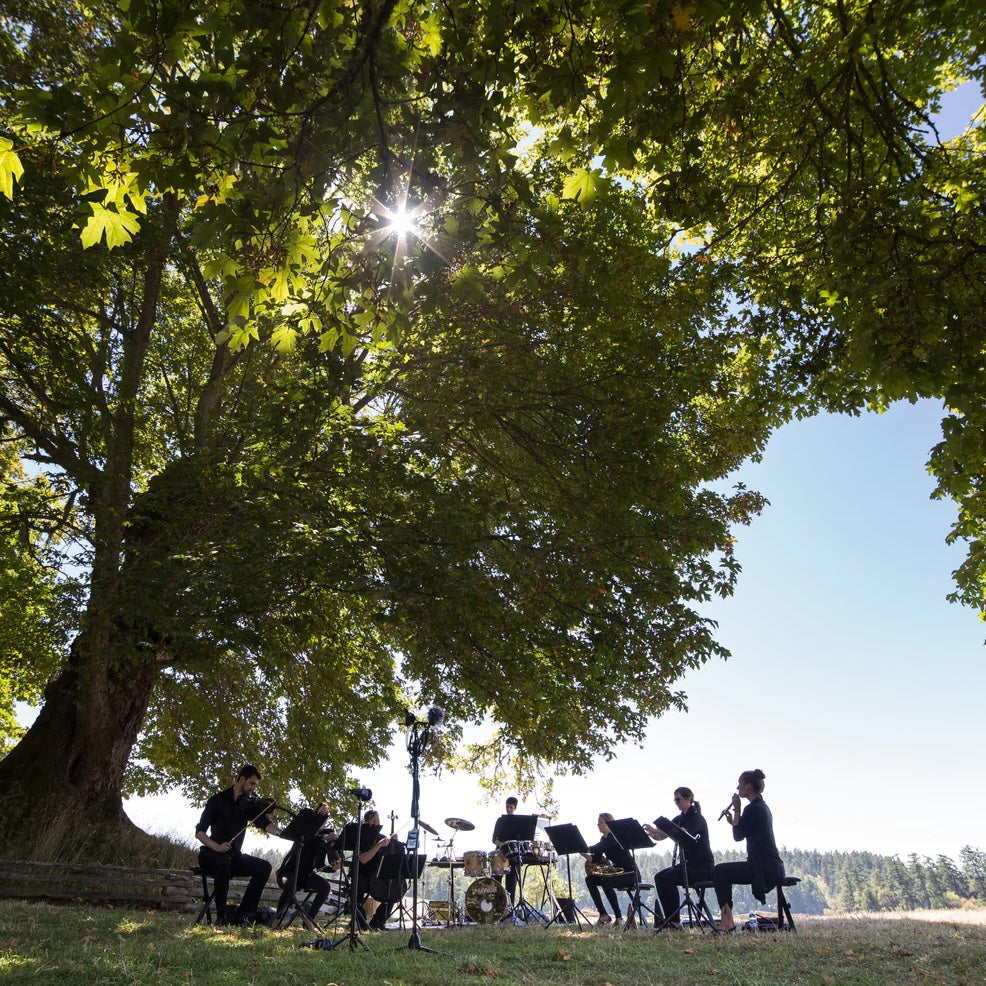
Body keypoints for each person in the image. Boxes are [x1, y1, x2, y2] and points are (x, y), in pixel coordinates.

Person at [195, 763, 282, 925]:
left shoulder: (248, 805)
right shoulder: (217, 800)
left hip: (234, 857)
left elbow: (265, 824)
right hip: (210, 854)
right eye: (251, 784)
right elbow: (200, 832)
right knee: (223, 861)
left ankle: (244, 915)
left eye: (255, 785)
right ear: (242, 779)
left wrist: (282, 833)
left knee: (264, 867)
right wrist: (217, 847)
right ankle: (221, 917)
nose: (253, 788)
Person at [713, 769, 785, 932]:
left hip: (763, 867)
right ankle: (727, 921)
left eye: (740, 784)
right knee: (721, 871)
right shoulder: (761, 806)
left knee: (719, 871)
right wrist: (734, 820)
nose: (738, 788)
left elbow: (738, 836)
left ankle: (726, 922)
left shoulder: (752, 808)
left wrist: (737, 809)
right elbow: (740, 830)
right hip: (771, 865)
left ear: (748, 786)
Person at [643, 786, 715, 929]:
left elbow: (684, 832)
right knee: (660, 877)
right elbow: (661, 835)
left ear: (688, 798)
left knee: (667, 878)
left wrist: (669, 831)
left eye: (678, 800)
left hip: (701, 866)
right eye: (675, 800)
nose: (676, 803)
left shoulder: (697, 818)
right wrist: (653, 832)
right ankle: (671, 918)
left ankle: (674, 921)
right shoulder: (679, 818)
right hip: (687, 865)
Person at [274, 804, 339, 923]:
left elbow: (320, 866)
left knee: (325, 887)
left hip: (306, 876)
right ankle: (276, 920)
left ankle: (309, 919)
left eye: (326, 815)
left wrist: (332, 868)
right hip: (289, 872)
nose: (323, 816)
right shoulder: (302, 833)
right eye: (321, 813)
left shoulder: (322, 840)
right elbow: (307, 840)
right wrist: (322, 837)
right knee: (291, 885)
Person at [582, 812, 639, 926]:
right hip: (618, 874)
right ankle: (603, 914)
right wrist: (581, 852)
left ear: (609, 823)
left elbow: (597, 847)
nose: (598, 825)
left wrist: (582, 847)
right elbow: (595, 858)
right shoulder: (604, 839)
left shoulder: (614, 837)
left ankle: (619, 917)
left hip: (630, 874)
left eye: (600, 822)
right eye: (598, 823)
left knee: (606, 882)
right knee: (590, 879)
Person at [353, 809, 393, 930]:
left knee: (392, 891)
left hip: (377, 877)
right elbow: (363, 859)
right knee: (357, 890)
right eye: (373, 820)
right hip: (362, 874)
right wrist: (378, 846)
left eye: (378, 820)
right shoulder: (360, 838)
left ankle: (376, 922)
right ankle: (362, 924)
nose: (376, 823)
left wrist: (394, 842)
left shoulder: (382, 837)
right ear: (366, 822)